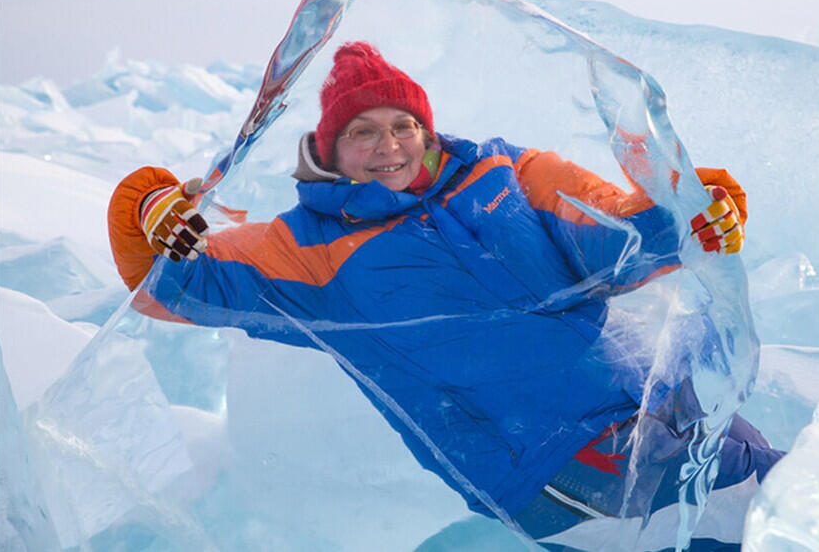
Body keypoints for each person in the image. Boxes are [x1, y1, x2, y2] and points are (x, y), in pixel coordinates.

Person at [108, 42, 782, 551]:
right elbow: (172, 284)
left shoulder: (507, 171)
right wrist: (145, 203)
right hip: (550, 467)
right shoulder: (305, 249)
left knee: (803, 487)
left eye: (401, 125)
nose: (388, 146)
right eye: (363, 132)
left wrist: (694, 207)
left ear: (425, 128)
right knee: (769, 518)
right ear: (330, 148)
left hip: (645, 404)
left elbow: (617, 229)